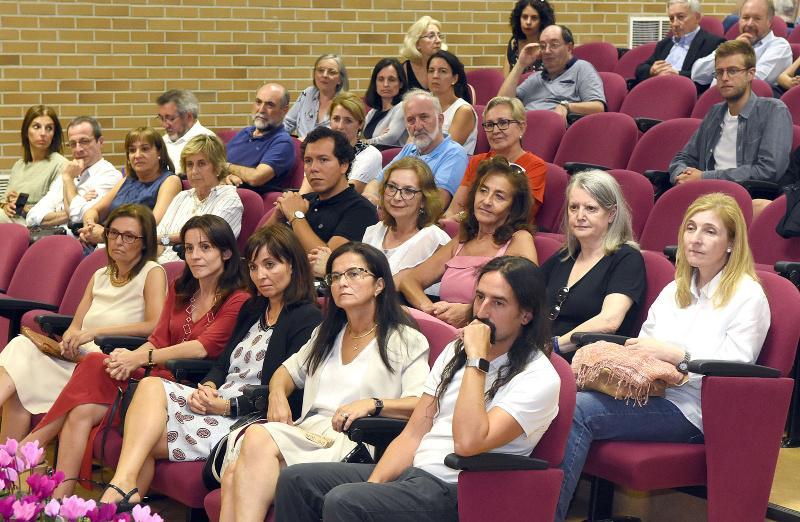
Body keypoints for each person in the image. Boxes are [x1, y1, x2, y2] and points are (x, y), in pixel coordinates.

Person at [273, 256, 561, 522]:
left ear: (526, 315)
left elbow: (468, 443)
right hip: (416, 475)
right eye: (479, 297)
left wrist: (477, 360)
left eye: (498, 303)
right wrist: (372, 486)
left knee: (345, 501)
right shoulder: (455, 351)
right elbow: (413, 433)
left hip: (462, 490)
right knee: (296, 481)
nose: (482, 312)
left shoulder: (538, 377)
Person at [555, 193, 771, 521]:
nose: (695, 239)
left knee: (580, 410)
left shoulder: (748, 296)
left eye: (710, 231)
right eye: (690, 228)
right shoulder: (675, 289)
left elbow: (737, 370)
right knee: (562, 395)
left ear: (731, 243)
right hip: (651, 393)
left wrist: (678, 356)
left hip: (694, 411)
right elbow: (645, 345)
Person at [23, 215, 249, 498]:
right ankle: (60, 502)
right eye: (189, 248)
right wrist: (128, 358)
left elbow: (202, 348)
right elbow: (157, 339)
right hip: (156, 374)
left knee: (93, 365)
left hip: (190, 385)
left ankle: (33, 444)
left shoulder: (238, 298)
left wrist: (140, 359)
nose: (195, 256)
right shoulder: (181, 287)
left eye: (205, 247)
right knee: (84, 404)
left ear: (226, 252)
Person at [98, 225, 322, 508]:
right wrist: (208, 386)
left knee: (140, 443)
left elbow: (292, 393)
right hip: (216, 402)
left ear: (292, 265)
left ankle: (116, 497)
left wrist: (227, 406)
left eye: (270, 265)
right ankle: (123, 489)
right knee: (150, 386)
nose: (260, 275)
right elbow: (222, 363)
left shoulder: (306, 318)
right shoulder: (254, 308)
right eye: (254, 267)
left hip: (249, 419)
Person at [218, 242, 431, 522]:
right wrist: (277, 395)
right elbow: (286, 372)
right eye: (335, 276)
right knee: (234, 471)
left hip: (357, 438)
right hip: (310, 433)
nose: (342, 283)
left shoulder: (406, 339)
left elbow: (421, 404)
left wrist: (373, 404)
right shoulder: (327, 333)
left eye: (354, 274)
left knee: (253, 444)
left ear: (379, 285)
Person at [0, 204, 166, 442]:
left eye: (129, 236)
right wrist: (69, 339)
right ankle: (9, 462)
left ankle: (14, 460)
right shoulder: (100, 275)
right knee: (20, 349)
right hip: (76, 359)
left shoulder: (152, 272)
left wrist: (94, 333)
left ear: (145, 242)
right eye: (113, 233)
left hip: (107, 367)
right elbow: (75, 327)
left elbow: (154, 325)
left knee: (20, 381)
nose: (118, 241)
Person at [400, 157, 538, 328]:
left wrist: (470, 312)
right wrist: (430, 310)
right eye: (483, 191)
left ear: (513, 208)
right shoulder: (462, 240)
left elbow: (527, 298)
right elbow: (409, 281)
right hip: (445, 329)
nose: (486, 201)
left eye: (499, 197)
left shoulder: (520, 238)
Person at [669, 40, 792, 201]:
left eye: (732, 71)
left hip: (745, 198)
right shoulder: (715, 112)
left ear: (751, 74)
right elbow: (683, 157)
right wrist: (681, 175)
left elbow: (769, 170)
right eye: (719, 72)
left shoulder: (774, 110)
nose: (725, 78)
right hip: (704, 196)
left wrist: (705, 177)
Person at [540, 170, 646, 356]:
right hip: (541, 354)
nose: (580, 216)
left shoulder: (627, 259)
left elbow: (609, 322)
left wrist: (552, 346)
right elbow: (524, 298)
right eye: (574, 207)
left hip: (584, 360)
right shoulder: (564, 256)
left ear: (611, 214)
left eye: (590, 208)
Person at [308, 157, 450, 281]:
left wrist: (331, 268)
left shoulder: (433, 238)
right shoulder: (375, 230)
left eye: (408, 191)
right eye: (392, 187)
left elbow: (391, 286)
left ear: (424, 199)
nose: (397, 197)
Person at [262, 127, 378, 254]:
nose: (313, 168)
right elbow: (256, 249)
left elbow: (328, 261)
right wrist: (278, 216)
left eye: (323, 160)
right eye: (308, 161)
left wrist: (296, 215)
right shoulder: (303, 201)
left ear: (344, 165)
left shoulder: (362, 210)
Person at [443, 96, 547, 222]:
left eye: (503, 123)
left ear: (521, 127)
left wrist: (461, 217)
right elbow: (454, 209)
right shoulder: (477, 161)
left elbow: (518, 216)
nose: (495, 130)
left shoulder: (535, 166)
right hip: (465, 227)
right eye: (489, 125)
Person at [363, 90, 469, 209]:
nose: (417, 126)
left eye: (424, 117)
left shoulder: (454, 153)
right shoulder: (409, 149)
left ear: (440, 120)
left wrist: (384, 204)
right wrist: (371, 197)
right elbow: (376, 183)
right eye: (411, 120)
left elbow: (436, 203)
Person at [78, 127, 182, 247]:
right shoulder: (127, 180)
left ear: (159, 152)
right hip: (107, 244)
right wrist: (90, 226)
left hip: (139, 248)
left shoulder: (170, 181)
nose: (137, 155)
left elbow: (152, 224)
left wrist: (105, 234)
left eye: (144, 149)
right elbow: (93, 211)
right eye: (132, 150)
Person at [156, 135, 243, 263]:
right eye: (189, 164)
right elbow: (158, 239)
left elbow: (202, 239)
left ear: (218, 167)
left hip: (196, 268)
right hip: (161, 265)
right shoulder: (182, 197)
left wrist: (163, 239)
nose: (194, 171)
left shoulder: (229, 200)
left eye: (201, 164)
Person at [25, 116, 122, 230]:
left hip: (80, 240)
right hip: (51, 237)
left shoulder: (110, 176)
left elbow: (79, 219)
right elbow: (32, 217)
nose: (78, 149)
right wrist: (78, 204)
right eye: (72, 143)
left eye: (84, 141)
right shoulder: (69, 172)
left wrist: (68, 180)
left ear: (100, 142)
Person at [498, 25, 606, 124]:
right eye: (543, 46)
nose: (547, 51)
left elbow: (598, 107)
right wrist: (520, 64)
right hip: (522, 128)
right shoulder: (535, 78)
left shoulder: (582, 68)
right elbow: (501, 105)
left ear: (569, 48)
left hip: (553, 129)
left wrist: (567, 106)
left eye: (554, 45)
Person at [691, 0, 792, 89]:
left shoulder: (779, 46)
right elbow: (696, 74)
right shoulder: (735, 44)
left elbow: (755, 82)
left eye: (757, 18)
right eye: (745, 17)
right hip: (716, 100)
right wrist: (731, 50)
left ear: (769, 22)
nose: (749, 24)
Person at [297, 92, 382, 194]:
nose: (340, 126)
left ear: (360, 124)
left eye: (348, 121)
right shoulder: (320, 151)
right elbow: (305, 192)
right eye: (336, 119)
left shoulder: (370, 155)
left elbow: (346, 195)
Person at [634, 0, 726, 92]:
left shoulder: (713, 43)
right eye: (671, 18)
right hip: (656, 91)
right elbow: (640, 69)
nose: (674, 24)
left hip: (686, 94)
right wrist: (651, 70)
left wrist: (678, 75)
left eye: (680, 17)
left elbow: (709, 77)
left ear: (697, 17)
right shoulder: (664, 44)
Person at [0, 105, 68, 225]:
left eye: (49, 128)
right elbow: (3, 201)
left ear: (54, 134)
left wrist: (25, 208)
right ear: (26, 132)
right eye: (37, 127)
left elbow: (59, 211)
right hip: (10, 219)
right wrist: (7, 206)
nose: (43, 133)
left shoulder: (61, 165)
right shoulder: (19, 165)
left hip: (35, 225)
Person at [225, 83, 297, 195]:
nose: (261, 109)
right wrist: (227, 176)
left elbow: (256, 178)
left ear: (285, 110)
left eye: (270, 105)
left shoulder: (282, 142)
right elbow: (215, 162)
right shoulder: (245, 132)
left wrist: (226, 167)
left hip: (246, 200)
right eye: (258, 102)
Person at [284, 54, 348, 138]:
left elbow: (342, 138)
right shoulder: (308, 93)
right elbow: (288, 123)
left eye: (332, 72)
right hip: (299, 145)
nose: (324, 75)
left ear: (340, 79)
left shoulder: (345, 103)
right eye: (320, 70)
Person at [427, 51, 477, 154]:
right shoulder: (422, 105)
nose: (435, 76)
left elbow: (445, 152)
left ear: (454, 78)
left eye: (442, 71)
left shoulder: (463, 111)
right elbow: (409, 146)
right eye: (431, 71)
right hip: (420, 161)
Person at [156, 89, 216, 174]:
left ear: (189, 117)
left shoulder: (207, 140)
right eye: (161, 118)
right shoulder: (162, 141)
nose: (165, 125)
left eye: (171, 118)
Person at [363, 58, 410, 148]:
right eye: (381, 79)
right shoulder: (373, 112)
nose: (385, 84)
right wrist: (378, 138)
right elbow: (358, 135)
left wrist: (366, 142)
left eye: (391, 80)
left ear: (401, 84)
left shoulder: (403, 107)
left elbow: (390, 138)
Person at [504, 0, 556, 76]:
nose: (528, 22)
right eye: (524, 17)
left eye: (534, 18)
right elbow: (505, 79)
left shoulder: (551, 46)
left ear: (542, 21)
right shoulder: (513, 43)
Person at [400, 16, 447, 91]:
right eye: (431, 36)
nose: (438, 40)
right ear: (417, 43)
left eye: (439, 36)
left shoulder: (451, 66)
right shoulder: (403, 70)